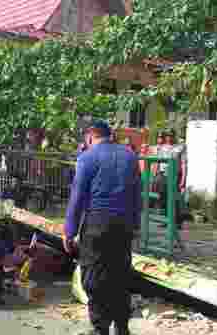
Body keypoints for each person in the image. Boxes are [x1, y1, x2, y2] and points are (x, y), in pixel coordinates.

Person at [64, 120, 142, 335]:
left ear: (90, 137)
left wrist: (69, 232)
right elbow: (137, 194)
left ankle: (100, 329)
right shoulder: (130, 156)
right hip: (124, 225)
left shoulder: (87, 158)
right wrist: (135, 225)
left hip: (97, 224)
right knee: (120, 275)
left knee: (94, 277)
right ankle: (122, 327)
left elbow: (77, 197)